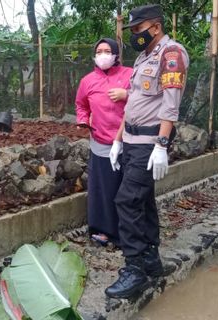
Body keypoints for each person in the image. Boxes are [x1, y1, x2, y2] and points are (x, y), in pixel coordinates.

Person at [105, 4, 190, 298]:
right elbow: (133, 105)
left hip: (149, 144)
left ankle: (135, 269)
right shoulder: (144, 57)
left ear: (155, 26)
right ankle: (151, 260)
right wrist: (117, 140)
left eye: (138, 29)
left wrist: (162, 146)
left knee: (127, 201)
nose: (134, 35)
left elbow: (170, 105)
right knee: (143, 201)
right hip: (130, 140)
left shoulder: (171, 55)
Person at [75, 38, 133, 246]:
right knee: (103, 189)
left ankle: (128, 232)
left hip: (129, 141)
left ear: (116, 54)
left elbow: (145, 97)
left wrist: (126, 94)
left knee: (128, 189)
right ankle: (104, 230)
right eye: (99, 51)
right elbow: (81, 105)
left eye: (107, 51)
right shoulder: (87, 81)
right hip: (100, 142)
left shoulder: (129, 75)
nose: (103, 55)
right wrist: (82, 120)